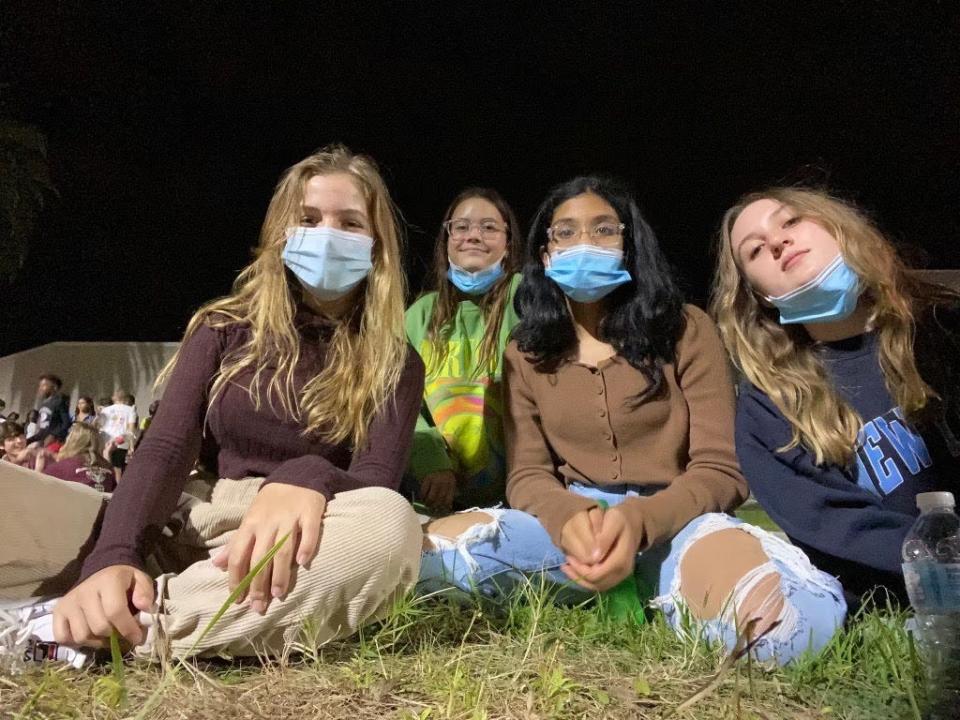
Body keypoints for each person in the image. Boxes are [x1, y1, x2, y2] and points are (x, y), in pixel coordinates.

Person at [0, 145, 425, 664]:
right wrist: (114, 556)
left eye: (351, 223)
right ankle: (104, 597)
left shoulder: (397, 360)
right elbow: (165, 450)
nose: (328, 235)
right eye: (309, 219)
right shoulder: (222, 328)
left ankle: (94, 632)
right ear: (281, 233)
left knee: (390, 525)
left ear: (378, 245)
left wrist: (307, 476)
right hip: (189, 519)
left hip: (298, 539)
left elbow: (376, 477)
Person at [420, 177, 846, 665]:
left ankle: (670, 583)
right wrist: (567, 518)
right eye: (566, 233)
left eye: (604, 230)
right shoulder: (526, 350)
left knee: (779, 635)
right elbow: (528, 473)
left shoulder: (685, 328)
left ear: (629, 244)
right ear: (544, 254)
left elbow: (720, 468)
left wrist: (640, 522)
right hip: (570, 529)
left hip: (680, 522)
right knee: (422, 561)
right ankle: (587, 582)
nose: (585, 243)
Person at [710, 187, 960, 608]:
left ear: (841, 229)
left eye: (791, 221)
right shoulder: (768, 408)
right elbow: (835, 525)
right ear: (761, 297)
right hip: (905, 602)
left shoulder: (943, 329)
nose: (776, 241)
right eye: (755, 251)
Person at [405, 188, 522, 511]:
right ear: (446, 240)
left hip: (518, 501)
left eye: (488, 227)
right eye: (461, 227)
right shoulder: (418, 315)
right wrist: (430, 460)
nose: (473, 236)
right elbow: (395, 398)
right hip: (433, 500)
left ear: (508, 243)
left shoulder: (525, 299)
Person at [42, 423, 115, 492]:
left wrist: (39, 467)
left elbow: (38, 490)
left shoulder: (59, 469)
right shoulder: (109, 472)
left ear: (70, 441)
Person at [97, 390, 139, 481]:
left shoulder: (105, 410)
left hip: (106, 441)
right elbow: (131, 429)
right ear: (125, 398)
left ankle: (106, 484)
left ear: (114, 398)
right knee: (118, 468)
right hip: (121, 441)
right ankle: (117, 489)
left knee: (105, 465)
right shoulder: (130, 410)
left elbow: (100, 426)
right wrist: (131, 446)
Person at [28, 374, 72, 445]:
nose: (40, 388)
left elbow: (66, 423)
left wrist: (53, 435)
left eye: (43, 385)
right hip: (42, 441)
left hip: (55, 443)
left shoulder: (59, 401)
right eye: (40, 386)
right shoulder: (43, 404)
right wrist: (29, 440)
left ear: (54, 387)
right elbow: (43, 429)